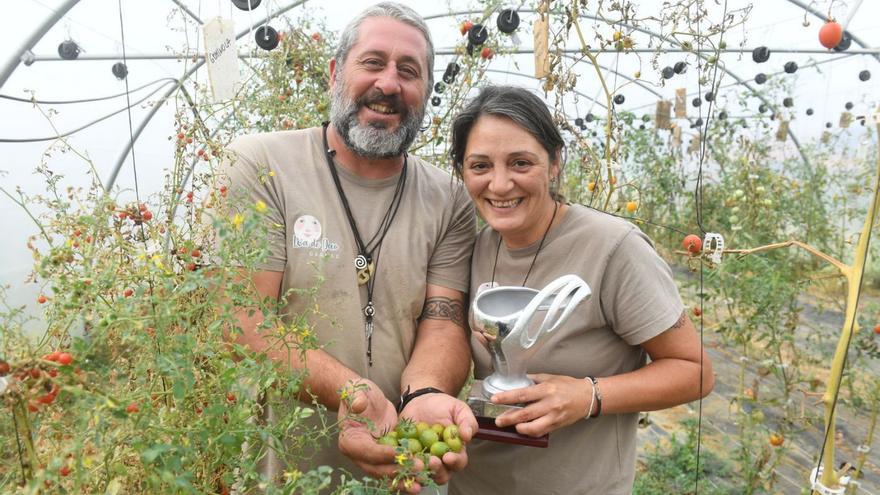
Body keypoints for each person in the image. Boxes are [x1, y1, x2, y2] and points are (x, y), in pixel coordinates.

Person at [219, 3, 478, 491]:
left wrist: (423, 393)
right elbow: (244, 319)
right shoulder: (263, 165)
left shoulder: (450, 198)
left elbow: (443, 318)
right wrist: (353, 393)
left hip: (409, 468)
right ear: (337, 72)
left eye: (409, 71)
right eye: (373, 62)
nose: (389, 84)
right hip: (288, 468)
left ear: (426, 91)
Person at [445, 85, 715, 494]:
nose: (499, 185)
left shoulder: (614, 249)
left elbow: (695, 373)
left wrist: (587, 396)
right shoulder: (479, 245)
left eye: (520, 163)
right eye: (480, 166)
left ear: (554, 163)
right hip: (477, 484)